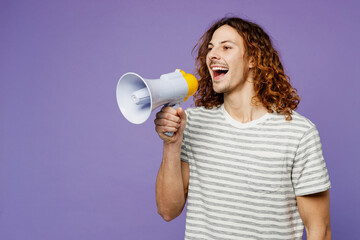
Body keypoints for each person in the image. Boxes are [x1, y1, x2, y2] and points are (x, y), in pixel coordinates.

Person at [154, 17, 331, 240]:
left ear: (254, 59)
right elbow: (168, 211)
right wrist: (171, 144)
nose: (212, 55)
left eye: (226, 47)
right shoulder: (193, 123)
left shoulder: (298, 133)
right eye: (211, 48)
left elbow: (319, 230)